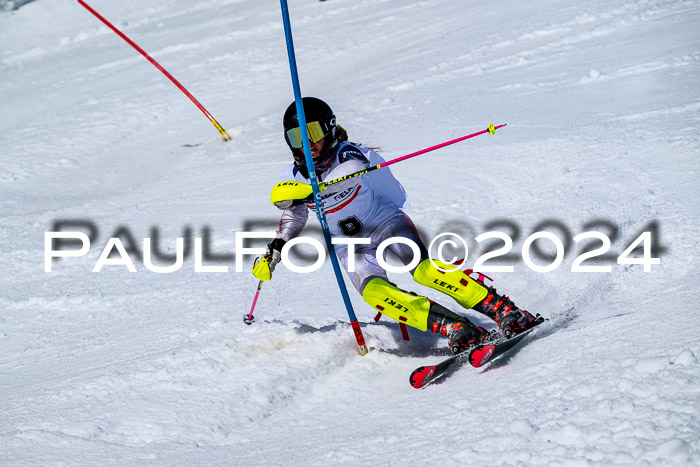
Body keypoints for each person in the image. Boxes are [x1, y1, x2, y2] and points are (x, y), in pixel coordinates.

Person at [253, 97, 541, 354]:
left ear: (328, 129)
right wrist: (276, 248)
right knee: (375, 292)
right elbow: (295, 215)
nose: (307, 144)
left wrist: (309, 191)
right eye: (296, 137)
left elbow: (352, 174)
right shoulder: (291, 175)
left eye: (313, 133)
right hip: (349, 245)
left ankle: (504, 310)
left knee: (425, 271)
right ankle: (455, 327)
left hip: (385, 223)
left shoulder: (348, 153)